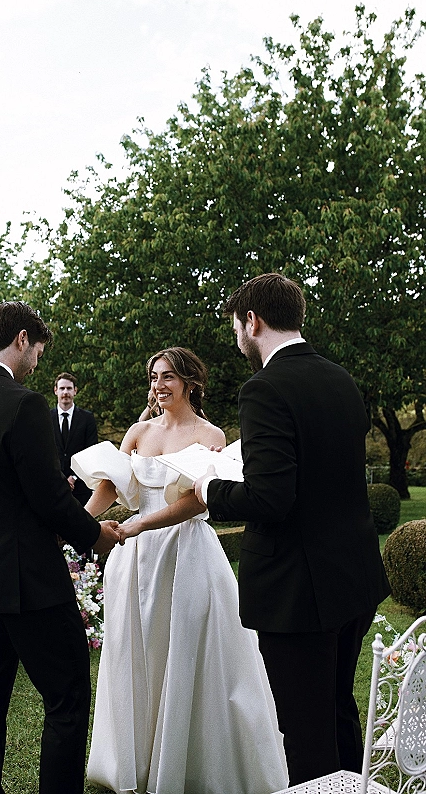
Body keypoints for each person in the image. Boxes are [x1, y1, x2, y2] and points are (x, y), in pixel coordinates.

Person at [194, 273, 391, 786]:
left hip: (299, 592)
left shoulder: (264, 389)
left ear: (252, 321)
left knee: (304, 734)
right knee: (338, 710)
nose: (237, 337)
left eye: (237, 326)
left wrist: (207, 490)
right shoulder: (339, 378)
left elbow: (270, 499)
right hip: (353, 579)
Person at [72, 346, 288, 794]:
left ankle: (190, 761)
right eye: (154, 377)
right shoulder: (138, 431)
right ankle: (138, 759)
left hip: (186, 552)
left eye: (168, 377)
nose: (158, 386)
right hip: (135, 560)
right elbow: (111, 488)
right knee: (139, 651)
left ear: (190, 382)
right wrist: (72, 526)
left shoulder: (210, 434)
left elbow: (196, 499)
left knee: (187, 650)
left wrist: (140, 524)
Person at [0, 301, 120, 794]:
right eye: (37, 349)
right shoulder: (23, 404)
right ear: (21, 339)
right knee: (66, 697)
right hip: (30, 583)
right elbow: (51, 500)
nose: (37, 361)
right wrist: (97, 536)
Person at [50, 372, 98, 506]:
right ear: (55, 391)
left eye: (69, 388)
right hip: (54, 487)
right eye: (62, 388)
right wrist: (60, 478)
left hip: (81, 487)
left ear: (75, 391)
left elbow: (91, 451)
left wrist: (73, 477)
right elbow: (44, 452)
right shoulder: (46, 419)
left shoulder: (87, 419)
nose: (65, 392)